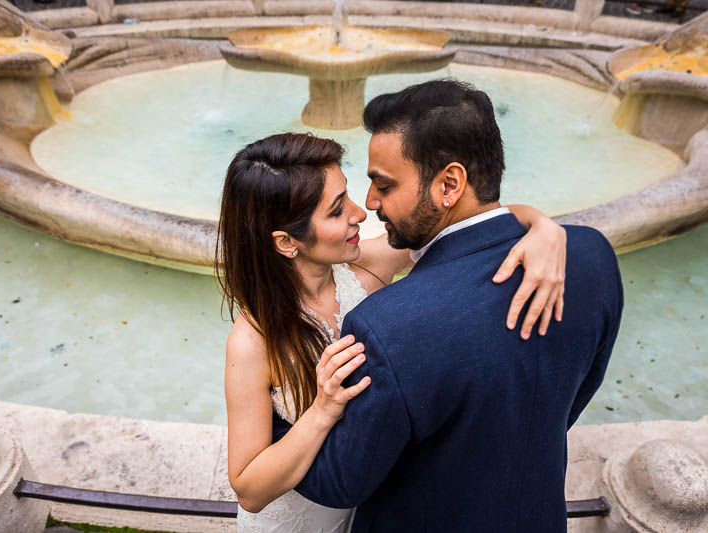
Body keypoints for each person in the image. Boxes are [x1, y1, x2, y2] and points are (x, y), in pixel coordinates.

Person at [286, 80, 624, 532]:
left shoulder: (387, 326)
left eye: (383, 185)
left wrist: (276, 414)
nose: (369, 204)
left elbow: (341, 482)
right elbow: (577, 393)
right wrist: (535, 219)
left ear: (450, 183)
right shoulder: (590, 257)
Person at [218, 128, 569, 532]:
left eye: (347, 193)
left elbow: (469, 220)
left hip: (371, 511)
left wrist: (544, 228)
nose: (360, 213)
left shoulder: (367, 266)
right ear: (285, 242)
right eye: (336, 211)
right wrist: (322, 410)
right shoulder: (252, 342)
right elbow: (248, 489)